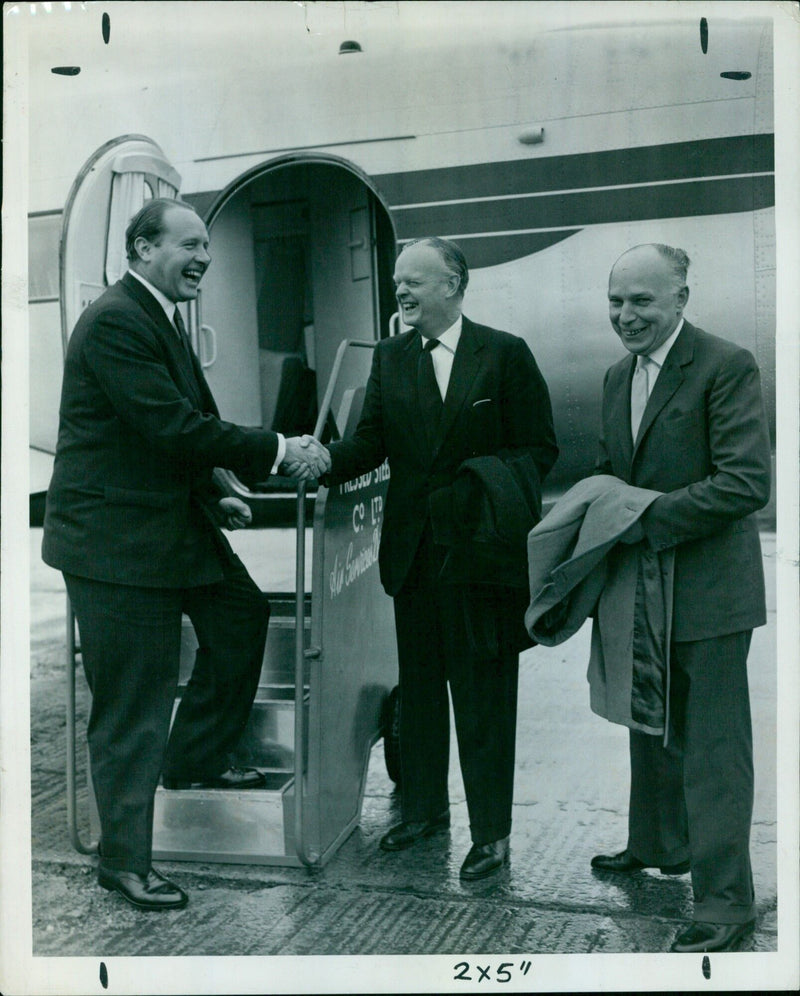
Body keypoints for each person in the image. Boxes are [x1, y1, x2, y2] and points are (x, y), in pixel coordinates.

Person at [42, 198, 330, 911]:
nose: (204, 256)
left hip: (165, 522)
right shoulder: (116, 320)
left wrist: (214, 491)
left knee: (239, 615)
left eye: (208, 245)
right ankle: (124, 863)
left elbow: (180, 429)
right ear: (142, 249)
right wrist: (276, 449)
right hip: (116, 543)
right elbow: (170, 426)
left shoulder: (156, 315)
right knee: (132, 704)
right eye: (190, 244)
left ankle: (194, 757)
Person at [315, 237, 558, 881]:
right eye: (398, 282)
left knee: (483, 695)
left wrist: (480, 486)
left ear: (452, 285)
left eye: (413, 282)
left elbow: (539, 448)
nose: (401, 291)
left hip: (479, 556)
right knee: (420, 692)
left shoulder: (503, 354)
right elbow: (367, 443)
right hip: (415, 556)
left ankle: (491, 834)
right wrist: (321, 459)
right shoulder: (392, 357)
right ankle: (424, 812)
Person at [591, 243, 771, 952]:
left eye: (642, 301)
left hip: (710, 593)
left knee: (714, 752)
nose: (625, 315)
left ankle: (727, 905)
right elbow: (612, 469)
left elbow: (744, 483)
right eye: (615, 301)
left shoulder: (725, 366)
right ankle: (658, 842)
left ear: (680, 299)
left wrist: (640, 519)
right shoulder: (615, 377)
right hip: (644, 586)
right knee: (648, 721)